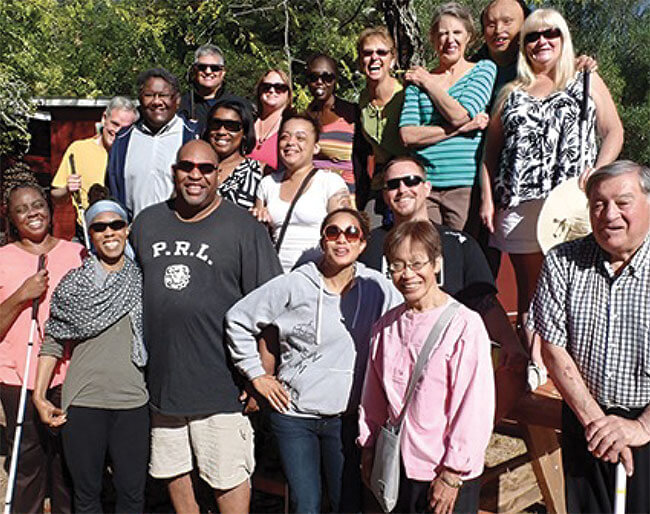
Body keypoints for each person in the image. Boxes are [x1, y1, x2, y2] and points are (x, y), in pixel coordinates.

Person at [129, 139, 282, 514]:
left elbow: (271, 309)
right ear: (174, 171)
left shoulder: (243, 228)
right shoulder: (148, 223)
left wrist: (261, 375)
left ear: (218, 174)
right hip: (163, 384)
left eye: (205, 168)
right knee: (174, 475)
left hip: (221, 384)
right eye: (187, 167)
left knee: (227, 481)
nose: (195, 175)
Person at [226, 207, 401, 513]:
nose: (341, 240)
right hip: (295, 416)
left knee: (345, 502)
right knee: (304, 503)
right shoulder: (295, 284)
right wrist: (256, 374)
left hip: (346, 419)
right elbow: (238, 319)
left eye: (351, 233)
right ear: (323, 241)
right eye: (333, 232)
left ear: (363, 244)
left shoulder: (378, 288)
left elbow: (407, 322)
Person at [479, 8, 624, 377]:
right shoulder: (512, 91)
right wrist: (487, 197)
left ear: (563, 39)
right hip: (519, 204)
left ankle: (575, 372)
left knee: (575, 289)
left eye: (550, 34)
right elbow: (491, 151)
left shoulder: (585, 79)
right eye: (532, 35)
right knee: (531, 293)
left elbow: (614, 131)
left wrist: (597, 171)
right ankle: (535, 370)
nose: (541, 41)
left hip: (571, 205)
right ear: (524, 46)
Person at [359, 156, 527, 422]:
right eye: (393, 185)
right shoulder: (368, 245)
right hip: (384, 364)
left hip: (443, 365)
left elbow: (483, 300)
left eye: (411, 181)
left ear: (427, 188)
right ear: (385, 195)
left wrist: (510, 344)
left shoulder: (458, 243)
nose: (402, 189)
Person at [529, 161, 650, 513]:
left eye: (622, 202)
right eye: (598, 203)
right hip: (586, 422)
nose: (609, 213)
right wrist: (598, 424)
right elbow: (553, 349)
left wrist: (641, 426)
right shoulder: (563, 262)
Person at [358, 220, 495, 513]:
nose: (407, 274)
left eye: (416, 263)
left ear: (436, 263)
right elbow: (374, 396)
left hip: (442, 470)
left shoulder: (464, 326)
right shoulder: (385, 326)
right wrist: (369, 447)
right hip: (395, 465)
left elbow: (473, 407)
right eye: (397, 266)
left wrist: (453, 472)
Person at [33, 195, 149, 513]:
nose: (109, 232)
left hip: (132, 403)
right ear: (91, 235)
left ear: (127, 230)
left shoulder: (143, 280)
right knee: (85, 496)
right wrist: (40, 396)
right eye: (100, 227)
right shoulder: (73, 285)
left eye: (116, 224)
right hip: (83, 403)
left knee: (132, 495)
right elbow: (53, 340)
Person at [0, 180, 85, 513]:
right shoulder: (3, 258)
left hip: (69, 372)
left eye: (37, 204)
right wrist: (22, 294)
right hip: (17, 374)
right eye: (21, 209)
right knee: (28, 457)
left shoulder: (76, 252)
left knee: (68, 458)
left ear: (49, 209)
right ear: (11, 219)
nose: (31, 213)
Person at [399, 2, 496, 231]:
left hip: (464, 186)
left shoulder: (482, 70)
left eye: (456, 32)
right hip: (425, 185)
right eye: (442, 34)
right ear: (433, 39)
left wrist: (429, 83)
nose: (449, 40)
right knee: (428, 254)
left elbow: (459, 114)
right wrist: (459, 130)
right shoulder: (417, 82)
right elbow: (407, 135)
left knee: (461, 252)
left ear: (468, 37)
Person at [252, 112, 349, 273]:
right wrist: (257, 218)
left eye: (300, 138)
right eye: (284, 137)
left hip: (317, 276)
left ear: (316, 147)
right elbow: (259, 237)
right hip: (276, 277)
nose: (291, 142)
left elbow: (345, 231)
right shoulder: (267, 184)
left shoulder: (330, 182)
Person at [106, 68, 199, 220]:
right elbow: (113, 189)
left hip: (180, 234)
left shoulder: (192, 136)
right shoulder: (123, 141)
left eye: (163, 95)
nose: (157, 102)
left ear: (177, 100)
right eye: (149, 95)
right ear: (140, 99)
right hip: (134, 234)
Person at [51, 96, 138, 238]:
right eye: (114, 124)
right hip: (88, 231)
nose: (117, 131)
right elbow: (55, 197)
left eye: (124, 128)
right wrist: (67, 189)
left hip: (125, 232)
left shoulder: (135, 154)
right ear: (104, 118)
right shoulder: (78, 150)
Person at [356, 26, 409, 226]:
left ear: (392, 59)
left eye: (382, 52)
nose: (374, 58)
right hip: (380, 182)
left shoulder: (405, 95)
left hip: (408, 180)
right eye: (368, 53)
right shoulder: (362, 100)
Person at [305, 53, 365, 196]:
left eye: (327, 78)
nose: (320, 82)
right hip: (312, 196)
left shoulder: (351, 114)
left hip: (345, 197)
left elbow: (364, 159)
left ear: (335, 80)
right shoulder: (305, 117)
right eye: (314, 78)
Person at [203, 96, 263, 209]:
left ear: (244, 133)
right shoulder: (194, 168)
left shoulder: (258, 172)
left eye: (231, 126)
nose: (221, 131)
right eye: (216, 124)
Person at [178, 44, 228, 134]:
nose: (208, 71)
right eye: (202, 67)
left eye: (214, 68)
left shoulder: (237, 105)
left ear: (223, 72)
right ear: (194, 70)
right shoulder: (180, 105)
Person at [248, 69, 292, 171]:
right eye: (266, 87)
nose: (272, 90)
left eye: (279, 87)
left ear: (288, 93)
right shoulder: (248, 122)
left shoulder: (291, 126)